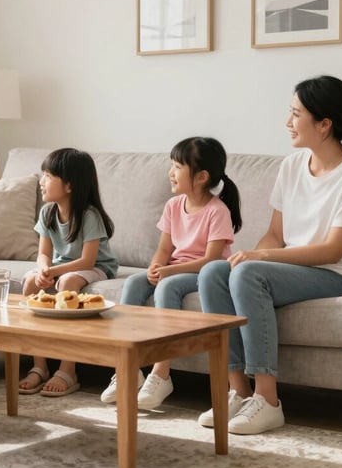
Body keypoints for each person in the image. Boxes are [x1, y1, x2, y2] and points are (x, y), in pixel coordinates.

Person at [197, 75, 342, 435]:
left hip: (333, 274)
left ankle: (269, 401)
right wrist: (255, 253)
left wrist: (259, 262)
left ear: (324, 125)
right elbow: (276, 234)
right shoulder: (291, 166)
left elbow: (333, 249)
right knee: (214, 272)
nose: (287, 122)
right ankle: (238, 390)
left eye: (296, 114)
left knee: (249, 273)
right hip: (292, 269)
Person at [100, 137, 242, 409]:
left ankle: (161, 373)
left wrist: (168, 272)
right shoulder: (173, 206)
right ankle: (127, 370)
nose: (170, 172)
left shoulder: (217, 211)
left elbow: (210, 260)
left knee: (167, 287)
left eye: (177, 166)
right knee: (133, 284)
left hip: (204, 273)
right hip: (174, 267)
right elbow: (164, 248)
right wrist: (155, 267)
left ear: (201, 177)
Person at [18, 148, 118, 397]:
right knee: (30, 283)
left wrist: (54, 271)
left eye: (48, 176)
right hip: (61, 265)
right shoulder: (47, 212)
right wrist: (43, 269)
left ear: (70, 185)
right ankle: (39, 365)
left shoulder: (89, 215)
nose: (41, 182)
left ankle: (67, 368)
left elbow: (88, 259)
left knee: (67, 283)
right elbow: (43, 253)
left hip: (96, 267)